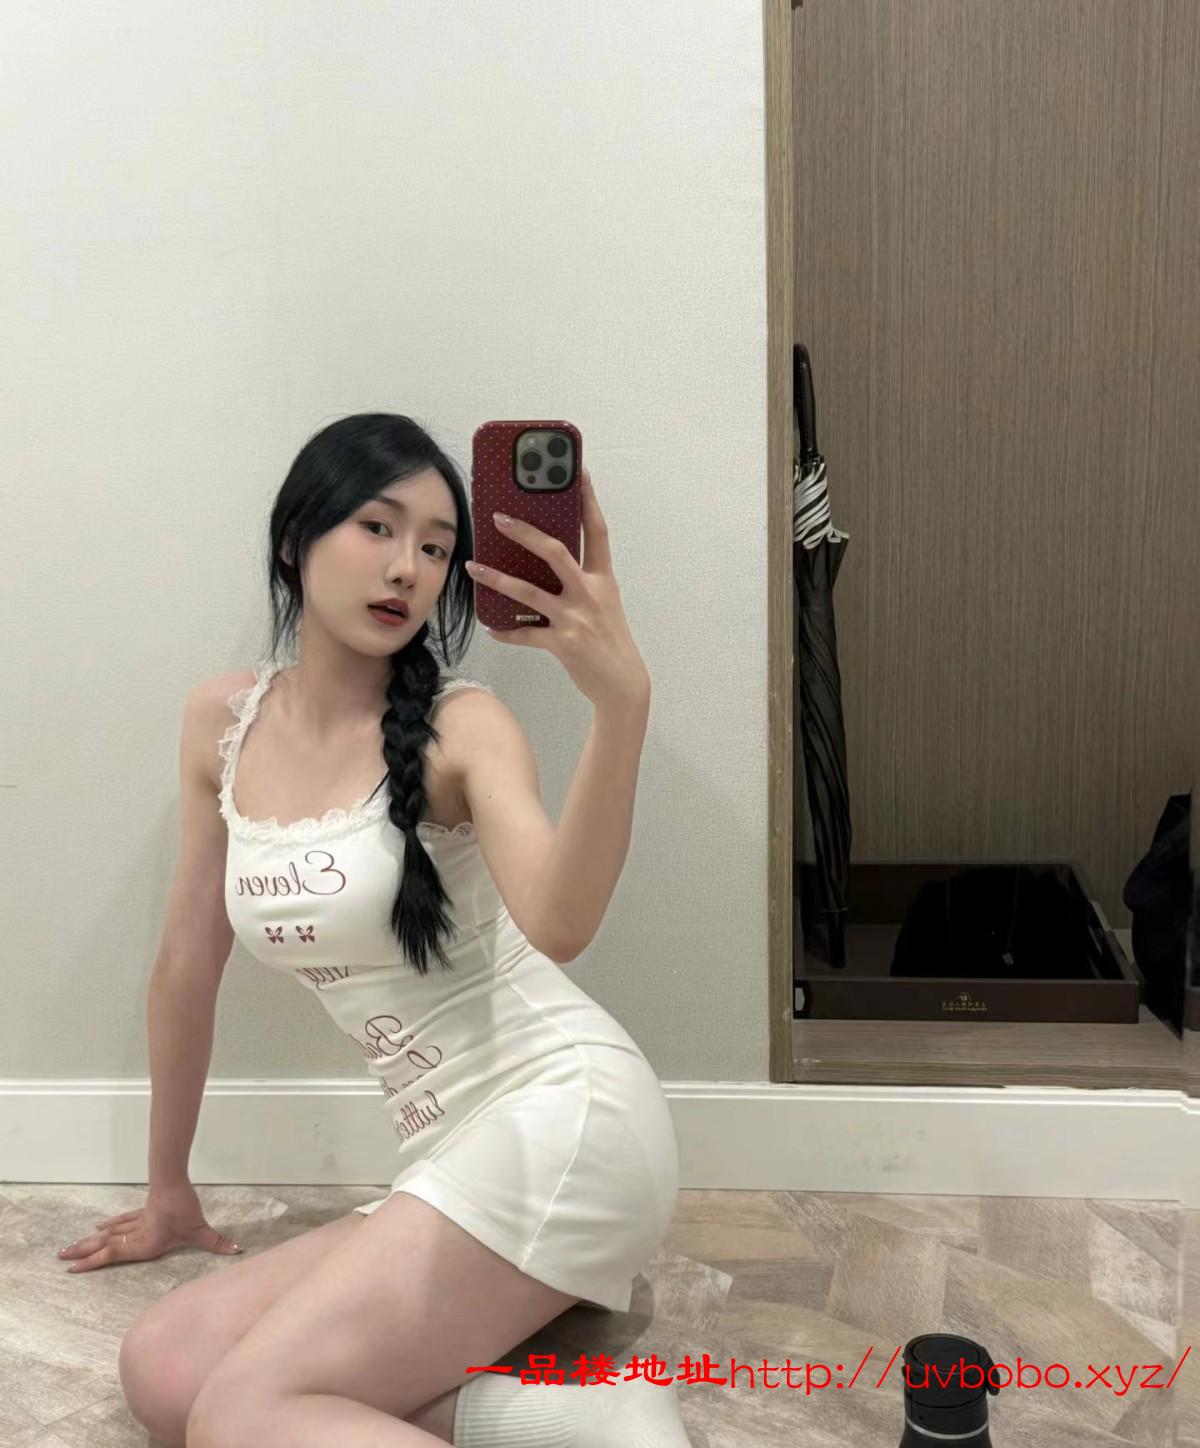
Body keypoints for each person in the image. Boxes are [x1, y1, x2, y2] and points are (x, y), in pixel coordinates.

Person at [56, 414, 691, 1448]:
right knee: (166, 1367)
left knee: (241, 1415)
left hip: (563, 1118)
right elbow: (186, 965)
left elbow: (563, 922)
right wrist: (169, 1187)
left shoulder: (463, 725)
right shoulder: (221, 724)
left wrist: (623, 708)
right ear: (294, 539)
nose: (408, 568)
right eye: (379, 527)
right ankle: (574, 1414)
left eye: (437, 547)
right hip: (448, 1151)